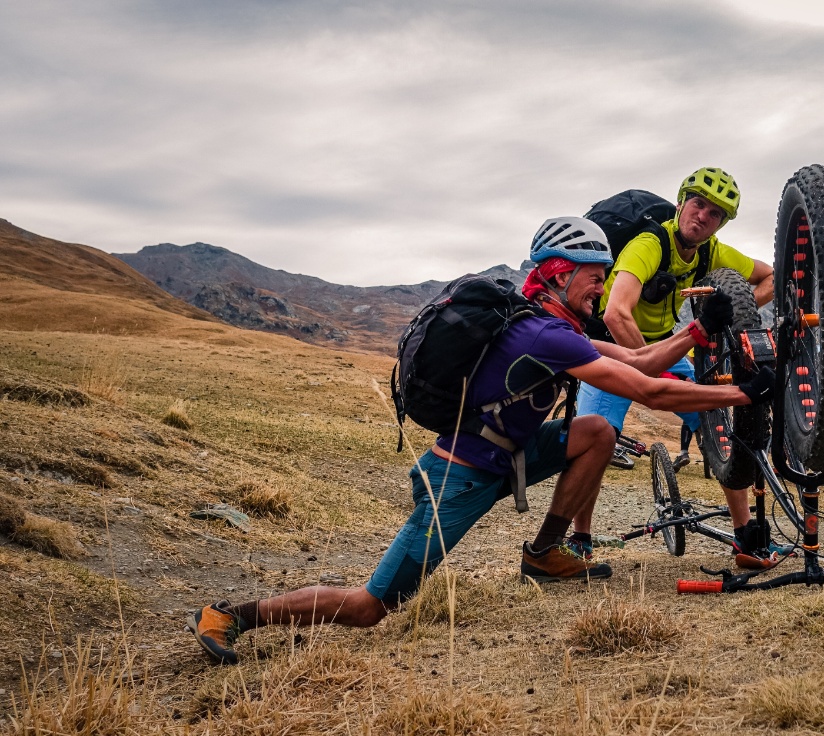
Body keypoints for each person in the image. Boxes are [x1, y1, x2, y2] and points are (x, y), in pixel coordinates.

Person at [187, 216, 774, 665]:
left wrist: (698, 329)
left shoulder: (547, 326)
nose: (599, 293)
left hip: (509, 455)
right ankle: (231, 614)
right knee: (373, 608)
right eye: (594, 282)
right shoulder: (546, 335)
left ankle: (545, 554)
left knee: (594, 430)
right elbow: (653, 391)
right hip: (459, 478)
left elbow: (643, 357)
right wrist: (745, 395)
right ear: (559, 273)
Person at [577, 167, 774, 554]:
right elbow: (617, 314)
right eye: (698, 204)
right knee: (597, 438)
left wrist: (734, 314)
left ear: (719, 225)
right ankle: (579, 537)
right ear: (681, 203)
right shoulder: (649, 245)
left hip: (666, 345)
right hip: (609, 346)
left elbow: (768, 277)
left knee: (715, 426)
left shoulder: (713, 253)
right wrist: (646, 366)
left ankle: (745, 536)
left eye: (715, 214)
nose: (703, 216)